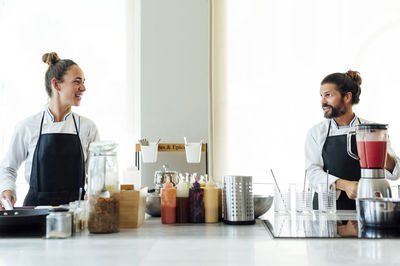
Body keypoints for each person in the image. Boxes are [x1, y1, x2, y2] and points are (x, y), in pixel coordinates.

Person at [0, 52, 99, 208]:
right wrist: (7, 189)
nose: (83, 88)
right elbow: (7, 168)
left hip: (76, 215)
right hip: (34, 214)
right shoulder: (27, 126)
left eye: (83, 82)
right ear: (56, 85)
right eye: (77, 82)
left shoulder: (88, 128)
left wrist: (93, 193)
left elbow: (97, 174)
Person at [305, 70, 400, 210]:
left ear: (347, 97)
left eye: (328, 95)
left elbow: (395, 173)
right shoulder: (316, 132)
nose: (323, 102)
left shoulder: (373, 130)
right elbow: (313, 173)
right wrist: (345, 185)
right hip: (327, 212)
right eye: (321, 96)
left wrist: (377, 151)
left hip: (367, 208)